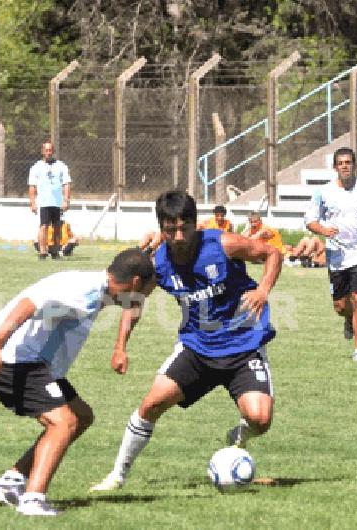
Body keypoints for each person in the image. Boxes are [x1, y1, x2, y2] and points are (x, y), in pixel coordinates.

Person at [90, 190, 282, 492]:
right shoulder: (159, 265)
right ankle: (116, 476)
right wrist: (120, 346)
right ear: (161, 228)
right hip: (197, 349)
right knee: (151, 405)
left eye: (184, 227)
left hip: (244, 347)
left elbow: (272, 253)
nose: (178, 236)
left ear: (195, 224)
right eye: (170, 229)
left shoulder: (222, 244)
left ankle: (239, 437)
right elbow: (136, 301)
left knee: (260, 419)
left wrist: (263, 290)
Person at [0, 248, 156, 516]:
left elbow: (132, 305)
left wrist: (119, 347)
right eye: (143, 292)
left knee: (81, 416)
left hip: (34, 363)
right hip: (12, 359)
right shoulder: (85, 292)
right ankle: (33, 499)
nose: (141, 300)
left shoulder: (103, 289)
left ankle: (12, 481)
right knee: (63, 423)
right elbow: (29, 303)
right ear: (135, 282)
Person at [304, 147, 357, 361]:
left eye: (348, 162)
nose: (345, 166)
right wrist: (324, 231)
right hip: (337, 255)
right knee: (341, 306)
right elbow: (310, 220)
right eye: (341, 162)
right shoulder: (323, 193)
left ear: (354, 165)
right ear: (335, 166)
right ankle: (348, 317)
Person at [28, 140, 71, 260]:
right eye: (46, 150)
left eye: (50, 150)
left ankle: (55, 252)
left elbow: (66, 184)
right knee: (43, 226)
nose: (48, 152)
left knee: (57, 226)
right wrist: (32, 202)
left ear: (53, 151)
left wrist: (66, 200)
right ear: (42, 152)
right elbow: (32, 186)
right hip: (44, 202)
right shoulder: (36, 167)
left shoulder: (61, 166)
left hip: (57, 202)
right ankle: (43, 251)